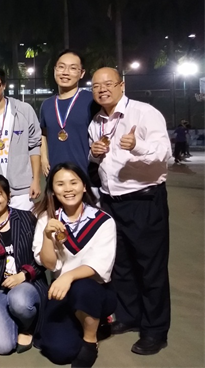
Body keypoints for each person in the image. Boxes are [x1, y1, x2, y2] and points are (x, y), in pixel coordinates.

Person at [88, 67, 172, 355]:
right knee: (121, 265)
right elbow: (98, 161)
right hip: (111, 202)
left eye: (108, 84)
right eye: (96, 86)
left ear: (121, 85)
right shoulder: (96, 122)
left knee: (151, 268)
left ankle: (155, 330)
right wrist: (94, 153)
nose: (102, 89)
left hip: (144, 201)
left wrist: (137, 146)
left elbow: (164, 153)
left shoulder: (144, 113)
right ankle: (128, 316)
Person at [33, 162, 117, 368]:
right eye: (60, 184)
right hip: (62, 294)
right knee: (59, 352)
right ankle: (82, 323)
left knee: (82, 287)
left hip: (95, 292)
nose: (68, 189)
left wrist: (68, 276)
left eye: (73, 182)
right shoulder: (46, 218)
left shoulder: (103, 221)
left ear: (84, 186)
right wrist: (47, 236)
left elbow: (99, 265)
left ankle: (90, 339)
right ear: (53, 190)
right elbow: (49, 264)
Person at [0, 174, 47, 355]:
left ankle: (26, 326)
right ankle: (13, 319)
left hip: (27, 284)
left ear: (8, 195)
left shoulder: (26, 218)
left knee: (19, 301)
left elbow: (42, 259)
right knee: (3, 347)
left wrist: (23, 275)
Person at [0, 66, 42, 211]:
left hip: (22, 190)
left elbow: (34, 146)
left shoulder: (24, 110)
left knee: (23, 225)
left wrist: (36, 180)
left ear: (3, 85)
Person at [39, 50, 100, 179]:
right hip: (55, 176)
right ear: (55, 70)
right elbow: (43, 133)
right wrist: (44, 158)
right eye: (61, 67)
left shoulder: (92, 100)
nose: (65, 72)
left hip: (86, 175)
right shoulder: (47, 105)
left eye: (72, 68)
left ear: (81, 73)